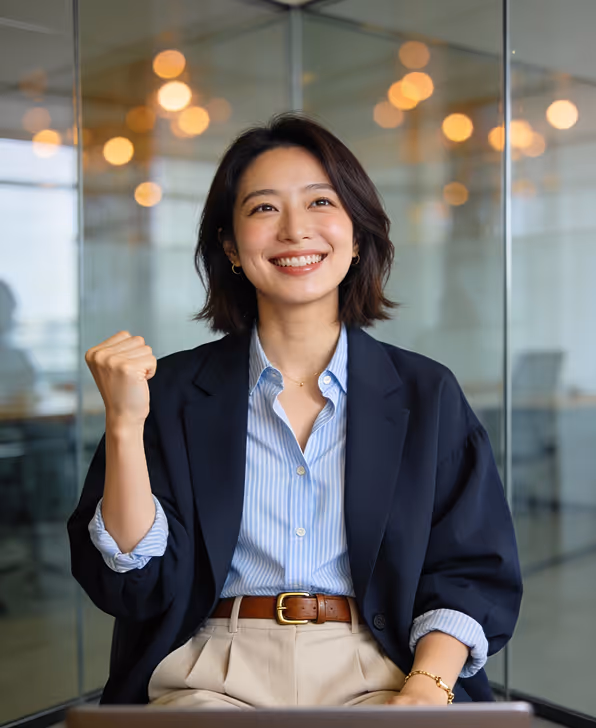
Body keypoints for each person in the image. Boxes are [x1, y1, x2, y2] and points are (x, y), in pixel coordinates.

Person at [67, 112, 522, 708]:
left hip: (379, 666)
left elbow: (469, 569)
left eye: (320, 204)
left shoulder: (425, 393)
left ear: (356, 236)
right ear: (230, 246)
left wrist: (426, 688)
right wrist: (126, 424)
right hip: (210, 669)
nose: (295, 230)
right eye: (263, 209)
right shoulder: (171, 391)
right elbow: (136, 588)